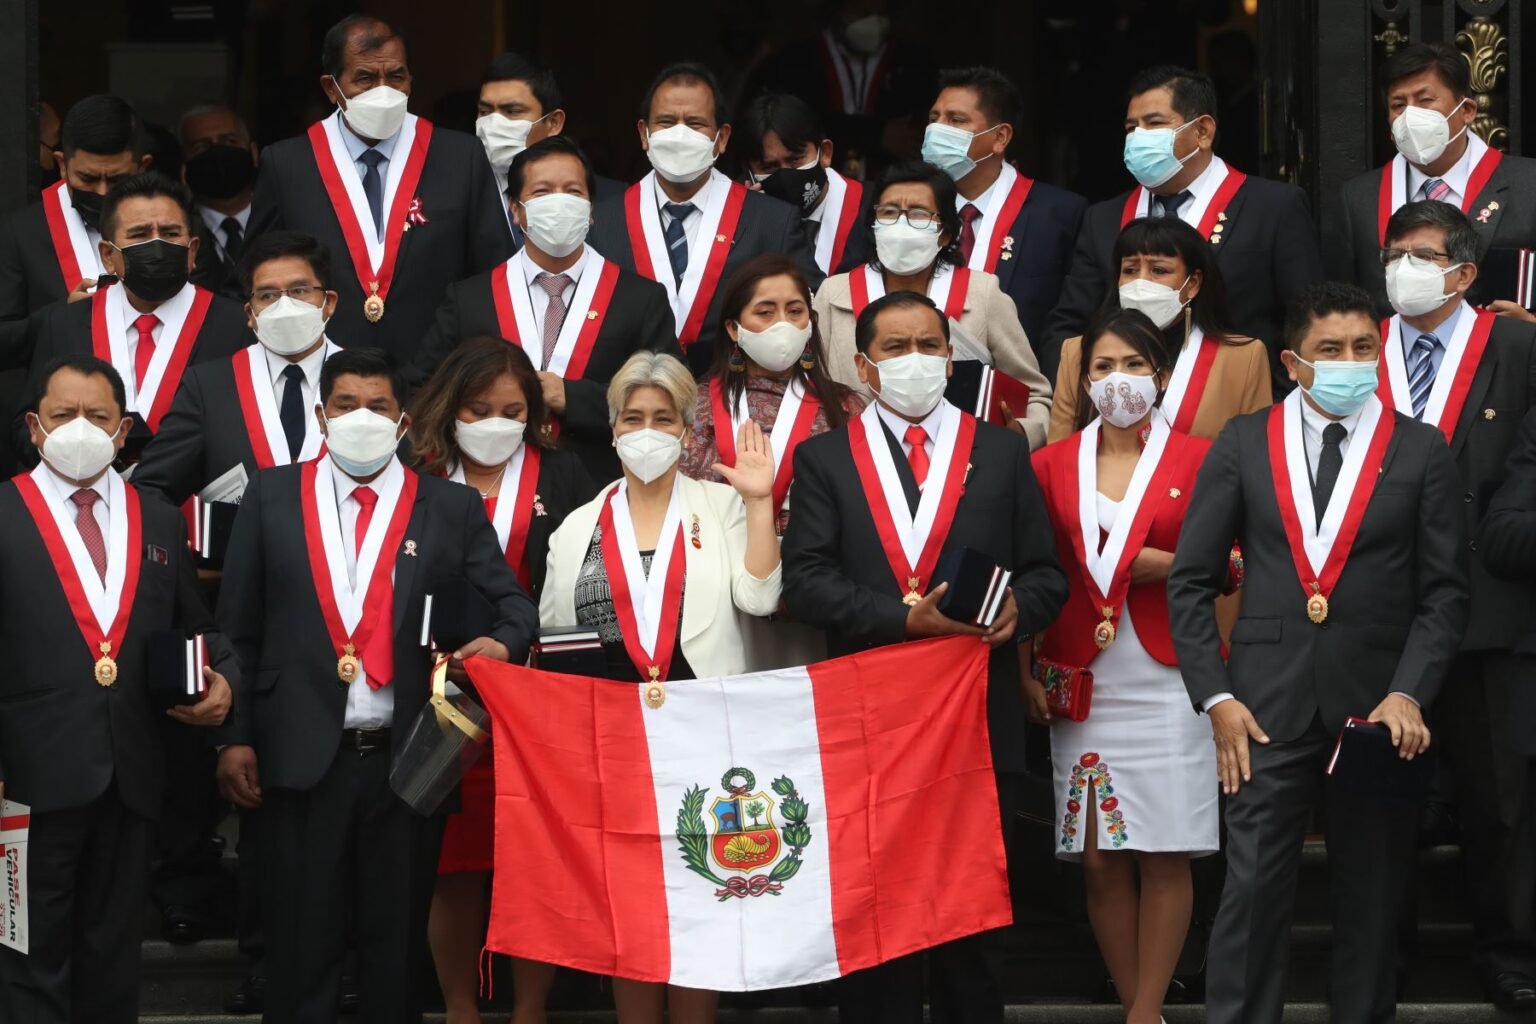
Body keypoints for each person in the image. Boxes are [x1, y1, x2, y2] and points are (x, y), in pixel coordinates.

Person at [1167, 282, 1469, 1023]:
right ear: (1293, 362)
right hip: (1263, 708)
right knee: (1251, 897)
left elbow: (1445, 594)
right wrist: (1217, 698)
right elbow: (1191, 582)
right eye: (1330, 350)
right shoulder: (1242, 441)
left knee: (1372, 903)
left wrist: (1410, 693)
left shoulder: (1420, 447)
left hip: (1379, 710)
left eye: (1364, 348)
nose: (1350, 363)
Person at [215, 346, 538, 1024]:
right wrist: (235, 739)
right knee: (302, 954)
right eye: (345, 405)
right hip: (301, 761)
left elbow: (515, 606)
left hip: (411, 761)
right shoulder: (272, 495)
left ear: (403, 419)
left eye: (378, 406)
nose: (361, 418)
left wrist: (501, 641)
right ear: (320, 414)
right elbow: (237, 633)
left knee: (395, 960)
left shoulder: (446, 506)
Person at [781, 291, 1068, 1024]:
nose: (916, 360)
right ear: (865, 367)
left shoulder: (1001, 450)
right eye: (897, 348)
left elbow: (1046, 574)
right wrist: (906, 620)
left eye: (929, 345)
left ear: (951, 355)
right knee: (874, 907)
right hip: (867, 715)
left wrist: (1018, 612)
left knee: (969, 910)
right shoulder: (824, 458)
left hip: (976, 714)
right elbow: (806, 582)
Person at [539, 349, 782, 1024]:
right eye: (634, 417)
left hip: (704, 736)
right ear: (613, 428)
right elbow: (556, 643)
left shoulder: (724, 504)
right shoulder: (574, 527)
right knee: (631, 908)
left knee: (700, 900)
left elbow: (760, 599)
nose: (648, 430)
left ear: (685, 431)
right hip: (608, 743)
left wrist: (760, 503)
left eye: (664, 418)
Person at [0, 353, 236, 1024]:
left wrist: (220, 684)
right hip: (22, 785)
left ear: (124, 429)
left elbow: (198, 628)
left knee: (113, 960)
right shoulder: (3, 512)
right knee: (24, 956)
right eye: (63, 415)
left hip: (130, 779)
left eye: (96, 416)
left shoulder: (156, 518)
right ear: (35, 427)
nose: (80, 428)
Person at [1028, 308, 1220, 1024]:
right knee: (1101, 855)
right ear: (1084, 380)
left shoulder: (1201, 459)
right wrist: (1024, 671)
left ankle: (1145, 1012)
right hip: (1083, 677)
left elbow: (1234, 562)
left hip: (1173, 678)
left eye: (1134, 366)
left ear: (1162, 376)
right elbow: (1033, 572)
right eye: (1104, 368)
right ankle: (1137, 1000)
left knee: (1164, 852)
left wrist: (1165, 566)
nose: (1119, 382)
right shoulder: (1049, 465)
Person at [1376, 200, 1536, 1010]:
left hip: (1491, 607)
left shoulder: (1517, 342)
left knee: (1500, 797)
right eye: (1395, 252)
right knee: (1384, 798)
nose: (1403, 266)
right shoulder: (1358, 347)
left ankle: (1509, 950)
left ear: (1465, 272)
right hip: (1380, 610)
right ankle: (1382, 954)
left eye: (1422, 254)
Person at [407, 336, 594, 1024]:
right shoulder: (415, 474)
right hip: (441, 698)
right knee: (453, 866)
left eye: (512, 410)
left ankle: (530, 1012)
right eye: (479, 408)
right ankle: (459, 1007)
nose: (496, 422)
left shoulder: (566, 475)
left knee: (532, 861)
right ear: (451, 409)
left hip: (538, 695)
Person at [247, 15, 513, 363]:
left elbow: (493, 276)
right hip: (323, 374)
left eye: (396, 76)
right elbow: (256, 273)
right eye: (365, 78)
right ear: (331, 88)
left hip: (437, 376)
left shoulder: (460, 157)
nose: (383, 90)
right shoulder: (288, 164)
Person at [412, 136, 680, 481]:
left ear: (591, 209)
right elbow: (422, 389)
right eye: (542, 192)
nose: (559, 203)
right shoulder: (470, 298)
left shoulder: (641, 299)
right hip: (489, 488)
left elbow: (670, 399)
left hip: (602, 489)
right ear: (515, 208)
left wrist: (570, 396)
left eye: (573, 192)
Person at [1044, 65, 1323, 383]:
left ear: (1203, 131)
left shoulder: (1273, 207)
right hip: (1122, 416)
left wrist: (1268, 408)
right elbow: (1067, 326)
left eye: (1154, 124)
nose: (1138, 138)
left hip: (1239, 415)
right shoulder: (1103, 218)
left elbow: (1307, 322)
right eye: (1131, 127)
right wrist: (1087, 394)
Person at [680, 254, 861, 667]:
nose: (783, 323)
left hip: (816, 598)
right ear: (733, 327)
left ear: (811, 323)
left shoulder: (848, 408)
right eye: (765, 312)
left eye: (795, 311)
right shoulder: (693, 404)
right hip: (715, 597)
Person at [587, 62, 822, 376]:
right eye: (666, 122)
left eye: (695, 123)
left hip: (739, 408)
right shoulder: (601, 222)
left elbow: (809, 313)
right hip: (634, 411)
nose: (680, 134)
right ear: (644, 134)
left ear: (722, 138)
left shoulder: (771, 220)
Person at [812, 160, 1053, 448]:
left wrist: (1019, 435)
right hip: (858, 460)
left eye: (918, 214)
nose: (901, 224)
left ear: (946, 232)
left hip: (962, 461)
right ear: (874, 224)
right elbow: (812, 391)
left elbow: (1033, 393)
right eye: (889, 213)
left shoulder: (982, 293)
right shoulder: (833, 293)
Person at [23, 173, 251, 459]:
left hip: (194, 499)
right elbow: (27, 424)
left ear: (192, 250)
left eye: (170, 234)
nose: (157, 246)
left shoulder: (236, 326)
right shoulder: (65, 324)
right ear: (108, 255)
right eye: (140, 234)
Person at [1327, 43, 1536, 321]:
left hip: (1501, 360)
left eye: (1425, 101)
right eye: (1398, 105)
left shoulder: (1529, 184)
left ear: (1468, 110)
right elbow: (1340, 307)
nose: (1410, 116)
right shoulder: (1358, 198)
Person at [135, 229, 342, 505]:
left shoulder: (371, 381)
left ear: (329, 303)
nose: (285, 305)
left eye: (300, 291)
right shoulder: (209, 387)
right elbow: (152, 487)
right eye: (268, 296)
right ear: (250, 314)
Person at [1048, 217, 1271, 442]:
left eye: (1158, 270)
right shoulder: (1077, 352)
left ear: (1192, 284)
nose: (1141, 281)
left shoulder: (1242, 358)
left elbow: (1254, 456)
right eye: (1130, 270)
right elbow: (1057, 454)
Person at [922, 66, 1087, 345]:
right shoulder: (906, 207)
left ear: (1000, 138)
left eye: (956, 120)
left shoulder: (1060, 214)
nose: (938, 129)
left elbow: (1069, 321)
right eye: (934, 118)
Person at [735, 92, 871, 276]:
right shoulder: (735, 226)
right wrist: (753, 228)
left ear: (825, 153)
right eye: (769, 166)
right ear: (749, 173)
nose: (785, 174)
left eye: (795, 160)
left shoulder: (873, 209)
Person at [475, 51, 625, 211]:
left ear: (554, 122)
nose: (494, 123)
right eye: (484, 112)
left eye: (512, 111)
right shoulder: (461, 194)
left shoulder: (612, 200)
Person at [180, 104, 260, 300]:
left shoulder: (283, 219)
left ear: (254, 153)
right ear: (183, 168)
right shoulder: (176, 234)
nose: (218, 152)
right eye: (201, 147)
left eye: (230, 141)